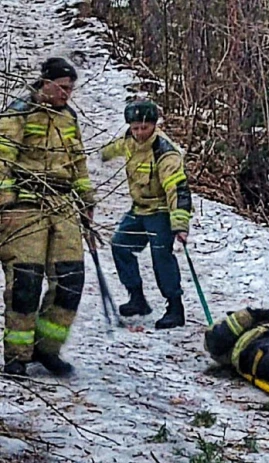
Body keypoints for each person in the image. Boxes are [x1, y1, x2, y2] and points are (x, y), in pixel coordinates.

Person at [0, 57, 95, 376]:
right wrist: (5, 203)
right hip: (25, 208)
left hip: (63, 206)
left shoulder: (69, 119)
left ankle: (47, 348)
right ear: (46, 82)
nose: (68, 94)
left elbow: (78, 163)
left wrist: (86, 199)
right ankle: (17, 356)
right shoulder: (19, 112)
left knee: (70, 280)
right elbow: (2, 159)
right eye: (63, 87)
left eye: (71, 89)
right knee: (25, 283)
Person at [101, 100, 192, 329]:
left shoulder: (165, 152)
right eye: (135, 128)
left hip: (161, 211)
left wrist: (179, 223)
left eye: (145, 128)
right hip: (139, 209)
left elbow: (177, 189)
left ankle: (175, 307)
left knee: (161, 256)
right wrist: (94, 155)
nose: (140, 133)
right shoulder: (128, 141)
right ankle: (137, 298)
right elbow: (110, 150)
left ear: (154, 125)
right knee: (120, 245)